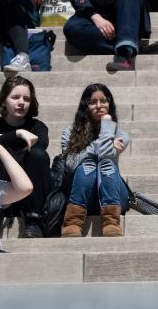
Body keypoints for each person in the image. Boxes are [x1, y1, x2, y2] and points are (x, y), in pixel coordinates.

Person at [0, 76, 51, 238]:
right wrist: (18, 134)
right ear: (3, 101)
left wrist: (5, 140)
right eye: (15, 97)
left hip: (31, 193)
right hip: (3, 195)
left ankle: (34, 220)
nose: (21, 102)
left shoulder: (37, 126)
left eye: (26, 99)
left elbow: (40, 145)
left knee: (38, 154)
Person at [60, 83, 130, 238]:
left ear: (109, 103)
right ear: (85, 105)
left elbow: (105, 155)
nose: (99, 106)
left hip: (114, 196)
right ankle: (73, 222)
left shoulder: (121, 135)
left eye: (103, 101)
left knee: (106, 163)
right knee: (88, 163)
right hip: (84, 194)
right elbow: (71, 165)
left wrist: (106, 126)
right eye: (93, 102)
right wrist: (98, 145)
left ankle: (111, 222)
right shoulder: (69, 133)